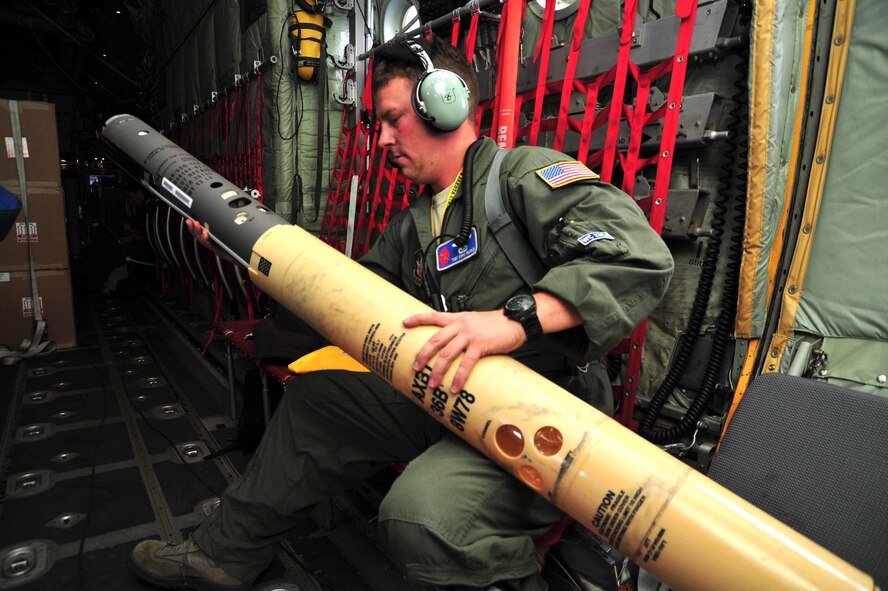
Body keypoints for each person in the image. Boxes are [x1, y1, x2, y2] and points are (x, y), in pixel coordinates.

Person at [130, 35, 674, 591]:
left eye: (393, 119)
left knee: (423, 515)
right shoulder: (412, 226)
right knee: (322, 402)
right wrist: (246, 254)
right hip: (449, 395)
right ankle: (226, 554)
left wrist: (514, 320)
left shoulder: (522, 179)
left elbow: (638, 257)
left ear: (446, 105)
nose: (384, 139)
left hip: (539, 417)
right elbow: (340, 299)